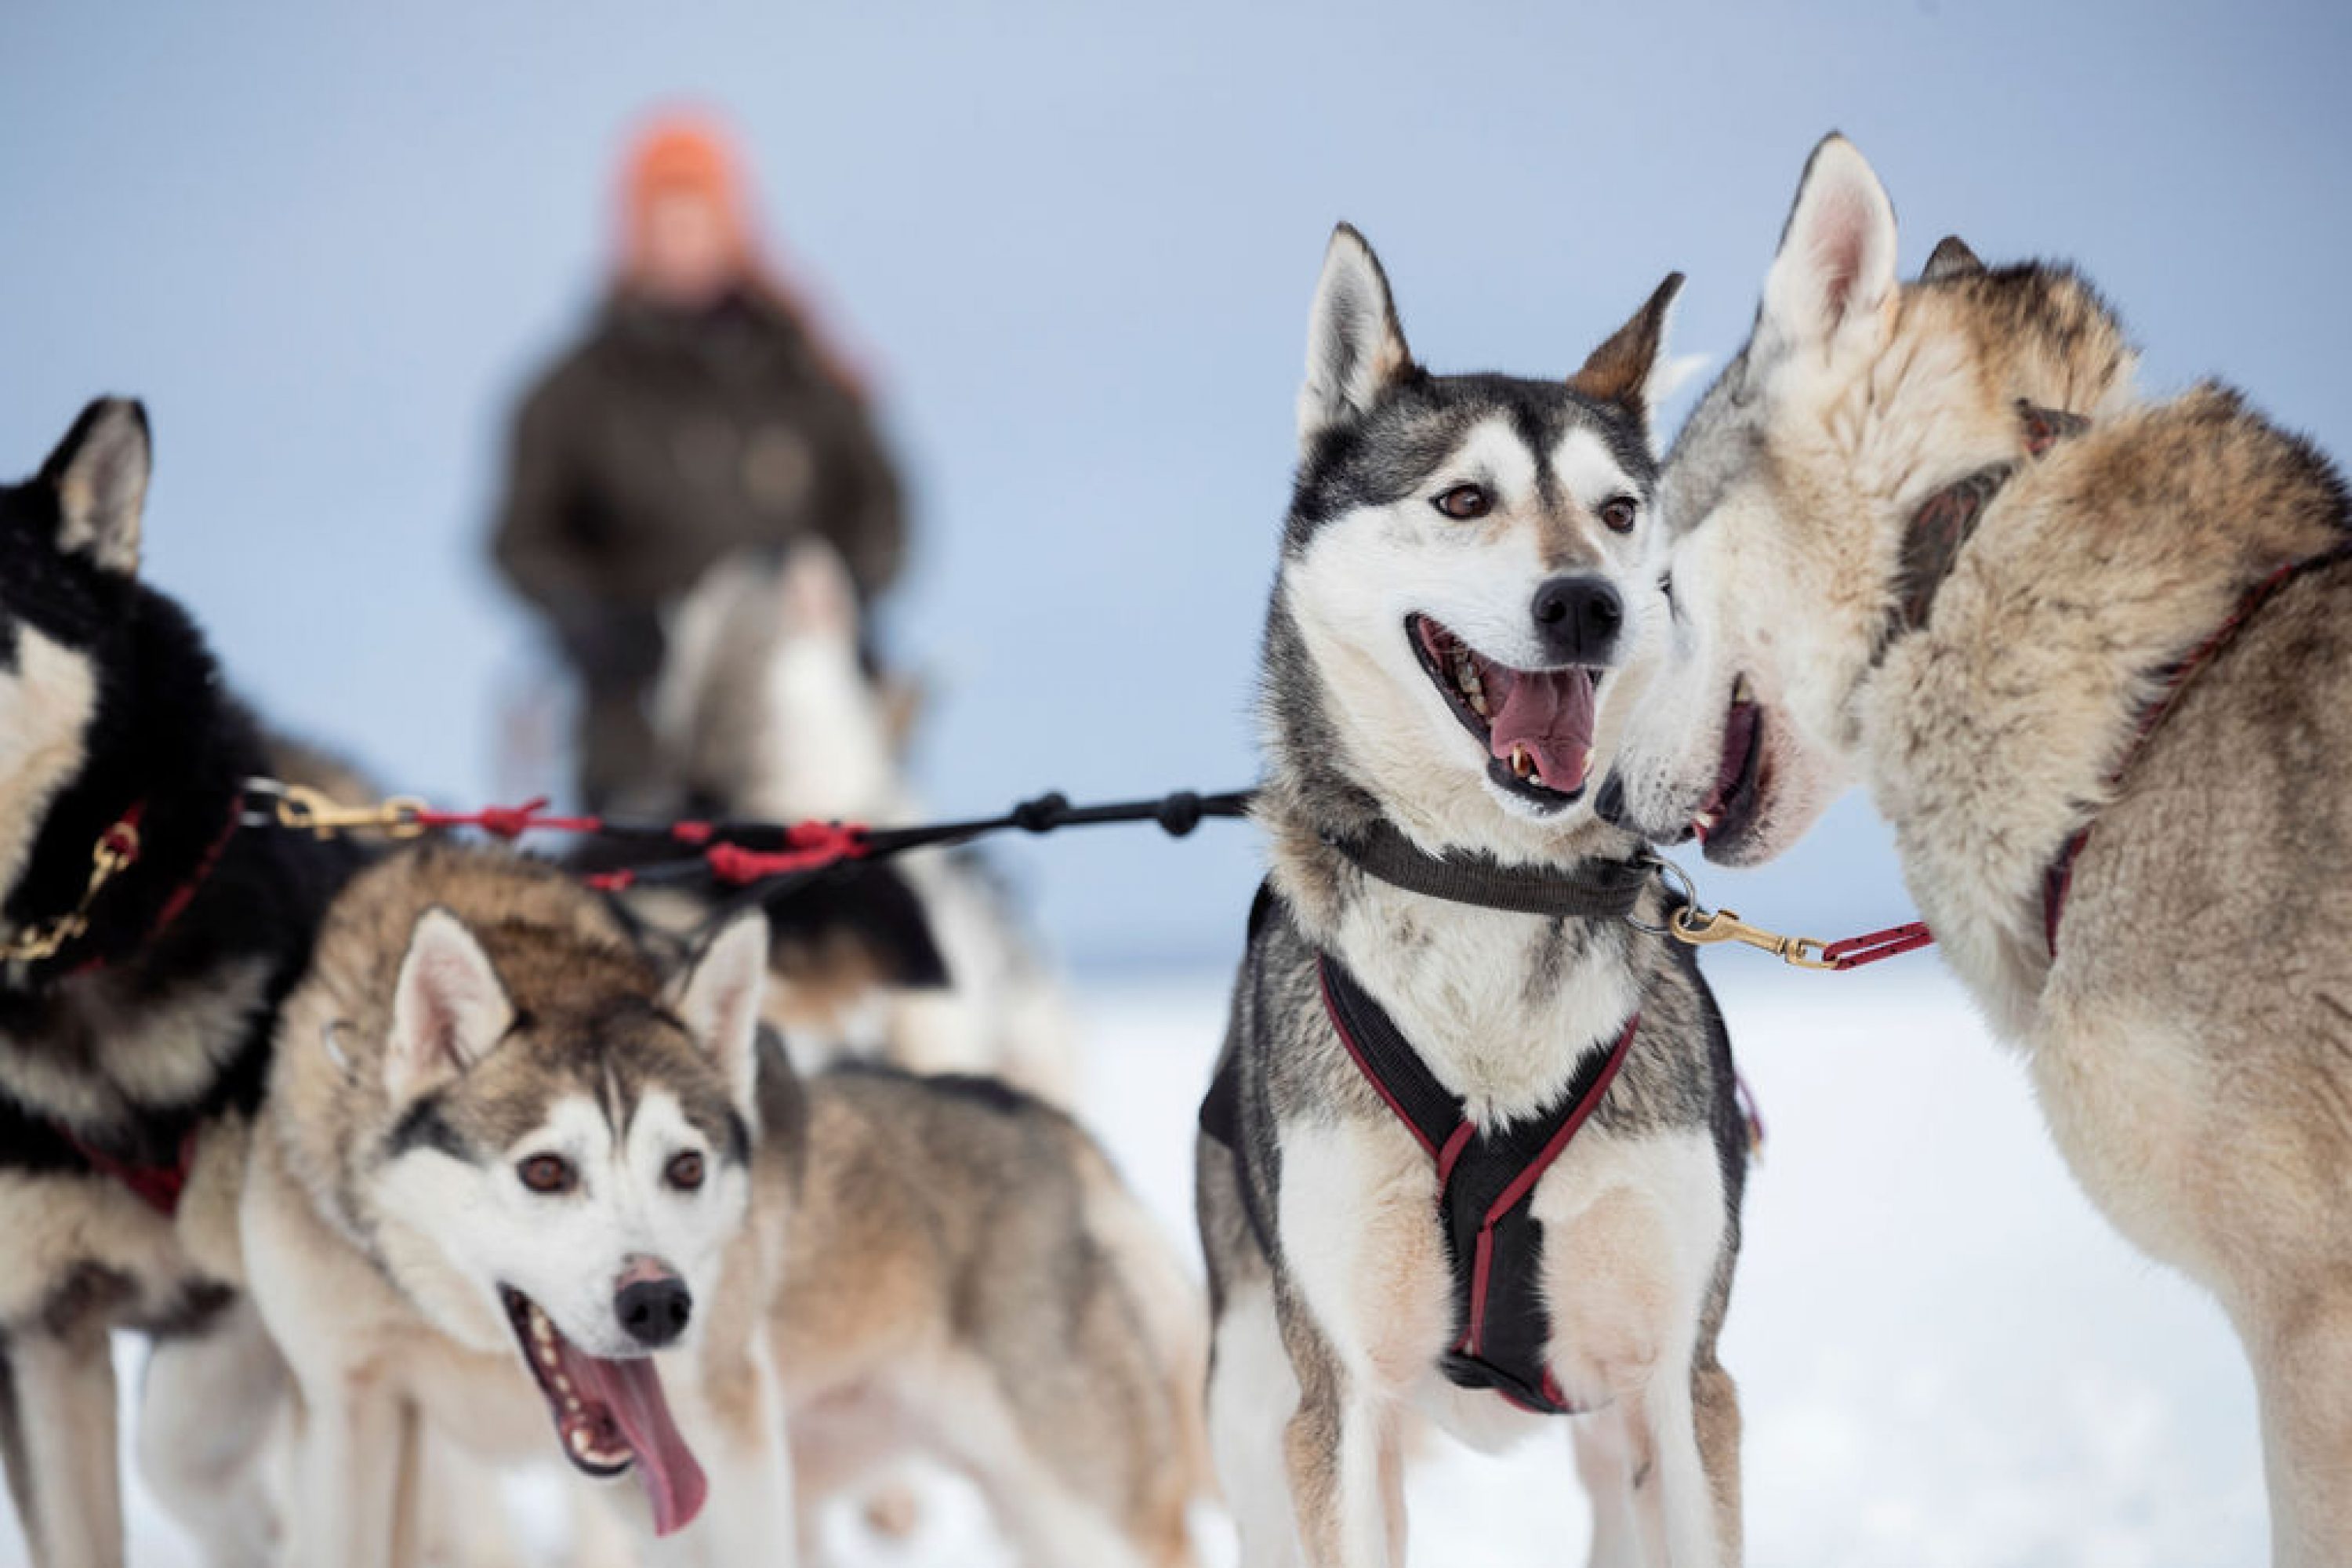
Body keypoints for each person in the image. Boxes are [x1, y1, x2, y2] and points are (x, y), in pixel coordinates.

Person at [493, 114, 906, 810]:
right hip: (640, 734)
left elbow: (883, 509)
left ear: (734, 224)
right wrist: (593, 620)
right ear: (631, 230)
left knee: (847, 886)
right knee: (657, 899)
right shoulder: (576, 391)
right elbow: (520, 540)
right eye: (662, 220)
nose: (681, 239)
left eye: (697, 217)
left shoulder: (807, 374)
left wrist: (848, 594)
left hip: (807, 717)